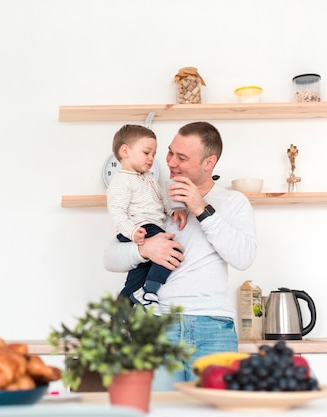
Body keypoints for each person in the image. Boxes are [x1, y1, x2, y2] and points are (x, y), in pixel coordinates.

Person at [103, 122, 257, 390]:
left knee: (216, 411)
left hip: (214, 329)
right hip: (157, 328)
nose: (170, 162)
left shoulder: (234, 202)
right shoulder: (154, 198)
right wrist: (144, 249)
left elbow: (243, 257)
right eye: (170, 152)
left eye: (182, 158)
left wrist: (200, 208)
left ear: (209, 162)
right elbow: (110, 258)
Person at [106, 124, 187, 306]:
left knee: (138, 273)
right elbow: (117, 213)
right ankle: (149, 291)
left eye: (153, 154)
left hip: (152, 227)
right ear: (125, 151)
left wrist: (174, 210)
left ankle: (121, 313)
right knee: (170, 249)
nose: (151, 158)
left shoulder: (149, 176)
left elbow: (161, 198)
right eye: (146, 152)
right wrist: (133, 231)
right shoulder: (121, 181)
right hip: (141, 227)